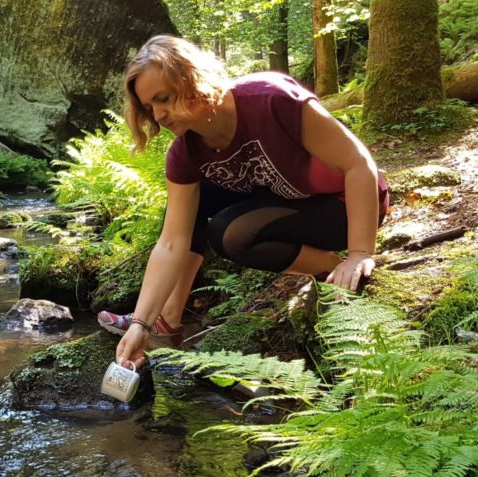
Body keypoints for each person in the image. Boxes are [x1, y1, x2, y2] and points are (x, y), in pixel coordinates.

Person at [101, 35, 389, 369]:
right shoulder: (185, 153)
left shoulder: (270, 99)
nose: (159, 115)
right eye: (150, 107)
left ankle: (328, 266)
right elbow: (171, 243)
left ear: (191, 76)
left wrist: (360, 254)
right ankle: (165, 320)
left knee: (231, 233)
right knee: (185, 206)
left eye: (163, 98)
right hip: (285, 200)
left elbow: (358, 163)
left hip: (345, 207)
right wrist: (141, 326)